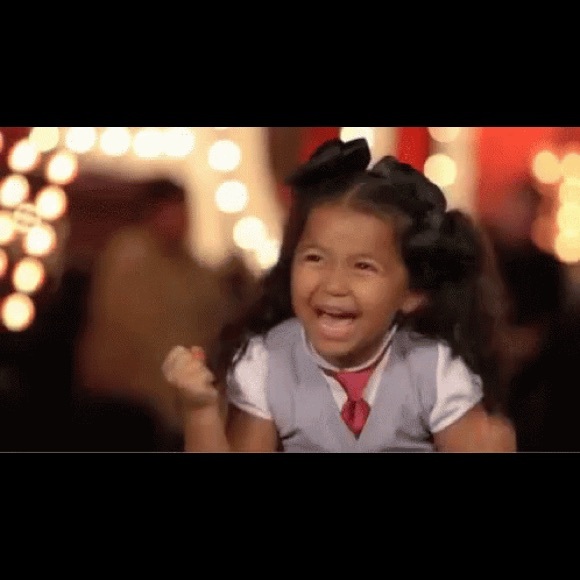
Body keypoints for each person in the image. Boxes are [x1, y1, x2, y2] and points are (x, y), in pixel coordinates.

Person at [162, 138, 516, 452]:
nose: (333, 285)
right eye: (315, 258)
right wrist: (200, 410)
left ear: (411, 294)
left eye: (363, 266)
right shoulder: (267, 362)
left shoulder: (433, 369)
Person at [75, 177, 237, 451]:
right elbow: (137, 334)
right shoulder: (130, 256)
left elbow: (212, 317)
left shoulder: (190, 267)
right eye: (173, 210)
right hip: (129, 400)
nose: (182, 220)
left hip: (173, 399)